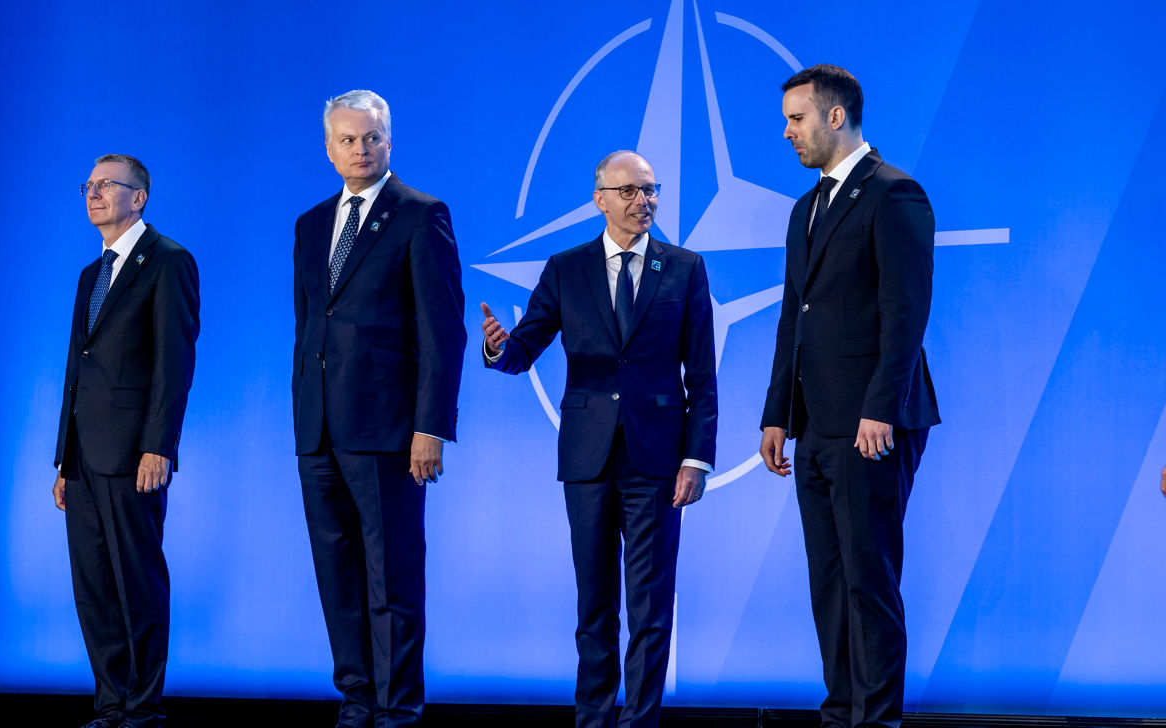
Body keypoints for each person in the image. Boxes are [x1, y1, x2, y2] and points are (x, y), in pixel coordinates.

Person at [481, 150, 717, 728]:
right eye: (631, 191)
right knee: (594, 602)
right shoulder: (566, 268)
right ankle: (593, 719)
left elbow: (703, 375)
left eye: (651, 189)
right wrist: (495, 346)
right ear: (601, 199)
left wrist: (697, 458)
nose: (645, 201)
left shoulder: (685, 267)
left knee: (650, 604)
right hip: (587, 457)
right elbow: (523, 349)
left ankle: (640, 722)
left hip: (659, 459)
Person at [758, 64, 940, 728]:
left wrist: (879, 408)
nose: (787, 133)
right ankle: (843, 715)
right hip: (815, 426)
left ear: (836, 116)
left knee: (868, 582)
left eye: (796, 119)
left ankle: (877, 720)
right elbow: (793, 317)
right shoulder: (805, 208)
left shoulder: (895, 195)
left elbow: (905, 314)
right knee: (829, 585)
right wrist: (777, 415)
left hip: (873, 423)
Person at [292, 89, 465, 727]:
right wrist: (302, 410)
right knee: (337, 575)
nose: (359, 150)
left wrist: (430, 426)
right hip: (318, 430)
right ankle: (357, 699)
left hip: (390, 428)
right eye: (347, 140)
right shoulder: (311, 225)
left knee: (392, 576)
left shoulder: (421, 215)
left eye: (370, 138)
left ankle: (397, 709)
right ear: (329, 146)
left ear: (388, 141)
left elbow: (443, 330)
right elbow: (309, 326)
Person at [52, 154, 200, 728]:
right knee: (92, 584)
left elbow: (174, 364)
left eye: (106, 185)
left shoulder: (168, 262)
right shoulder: (91, 274)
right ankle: (111, 702)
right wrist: (64, 458)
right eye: (87, 185)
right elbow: (76, 368)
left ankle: (142, 706)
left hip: (135, 452)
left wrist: (158, 446)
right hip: (85, 458)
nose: (94, 194)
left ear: (138, 197)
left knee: (136, 579)